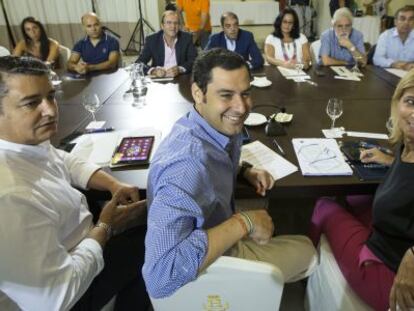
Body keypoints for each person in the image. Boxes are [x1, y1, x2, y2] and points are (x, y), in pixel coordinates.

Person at [143, 48, 317, 299]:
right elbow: (159, 277)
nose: (241, 107)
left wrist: (244, 170)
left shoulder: (212, 126)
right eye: (226, 95)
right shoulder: (185, 167)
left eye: (245, 93)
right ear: (197, 93)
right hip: (212, 261)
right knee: (309, 251)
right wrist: (244, 222)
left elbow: (214, 162)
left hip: (219, 226)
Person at [0, 56, 149, 310]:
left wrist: (113, 184)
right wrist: (105, 227)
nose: (50, 110)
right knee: (152, 235)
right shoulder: (10, 197)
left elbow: (63, 159)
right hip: (74, 293)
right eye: (31, 103)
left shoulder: (24, 144)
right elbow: (57, 297)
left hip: (82, 237)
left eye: (50, 96)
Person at [309, 69, 414, 311]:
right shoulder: (405, 145)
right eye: (410, 101)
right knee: (356, 195)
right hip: (392, 231)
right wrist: (391, 161)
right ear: (397, 103)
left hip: (390, 274)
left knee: (324, 204)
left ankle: (307, 274)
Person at [136, 10, 197, 77]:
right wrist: (153, 71)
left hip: (180, 78)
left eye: (176, 23)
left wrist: (179, 69)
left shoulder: (186, 38)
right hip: (159, 79)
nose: (173, 26)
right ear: (162, 26)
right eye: (169, 23)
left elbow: (194, 61)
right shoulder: (152, 40)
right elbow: (139, 63)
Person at [373, 5, 414, 70]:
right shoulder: (386, 36)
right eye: (402, 19)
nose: (406, 22)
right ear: (395, 22)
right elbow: (377, 59)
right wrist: (393, 64)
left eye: (411, 19)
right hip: (390, 74)